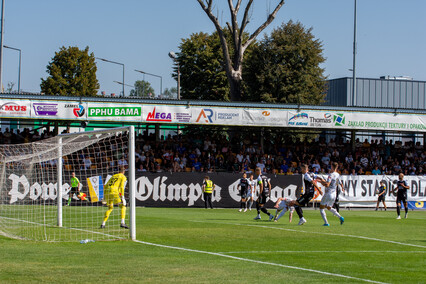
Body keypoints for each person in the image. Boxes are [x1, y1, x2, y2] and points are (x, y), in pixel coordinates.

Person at [318, 162, 345, 226]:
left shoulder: (331, 175)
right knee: (329, 207)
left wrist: (321, 182)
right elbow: (341, 183)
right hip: (334, 194)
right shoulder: (338, 174)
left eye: (331, 166)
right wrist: (343, 188)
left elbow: (327, 185)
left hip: (329, 193)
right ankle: (340, 217)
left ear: (332, 167)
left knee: (321, 208)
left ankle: (326, 223)